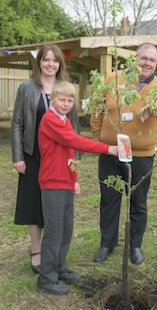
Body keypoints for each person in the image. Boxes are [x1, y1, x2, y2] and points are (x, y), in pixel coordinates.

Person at [36, 81, 118, 295]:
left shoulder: (63, 121)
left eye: (70, 100)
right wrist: (108, 148)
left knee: (65, 229)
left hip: (65, 182)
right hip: (52, 183)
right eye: (61, 99)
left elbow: (70, 153)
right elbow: (76, 142)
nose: (66, 104)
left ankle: (60, 268)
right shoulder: (50, 120)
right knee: (54, 232)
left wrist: (74, 179)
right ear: (51, 99)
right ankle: (46, 279)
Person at [90, 42, 157, 265]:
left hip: (141, 155)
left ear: (156, 64)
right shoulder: (113, 79)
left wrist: (150, 108)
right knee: (109, 199)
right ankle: (107, 243)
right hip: (111, 152)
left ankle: (135, 246)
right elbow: (97, 107)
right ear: (134, 59)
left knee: (138, 202)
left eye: (152, 60)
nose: (147, 64)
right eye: (144, 58)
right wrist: (97, 138)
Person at [11, 44, 80, 274]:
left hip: (59, 157)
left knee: (55, 205)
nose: (50, 64)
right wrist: (18, 157)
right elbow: (18, 123)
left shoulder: (66, 89)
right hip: (33, 154)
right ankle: (37, 251)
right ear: (39, 62)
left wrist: (75, 163)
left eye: (55, 60)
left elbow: (75, 129)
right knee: (32, 202)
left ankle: (56, 255)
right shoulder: (27, 88)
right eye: (46, 59)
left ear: (60, 63)